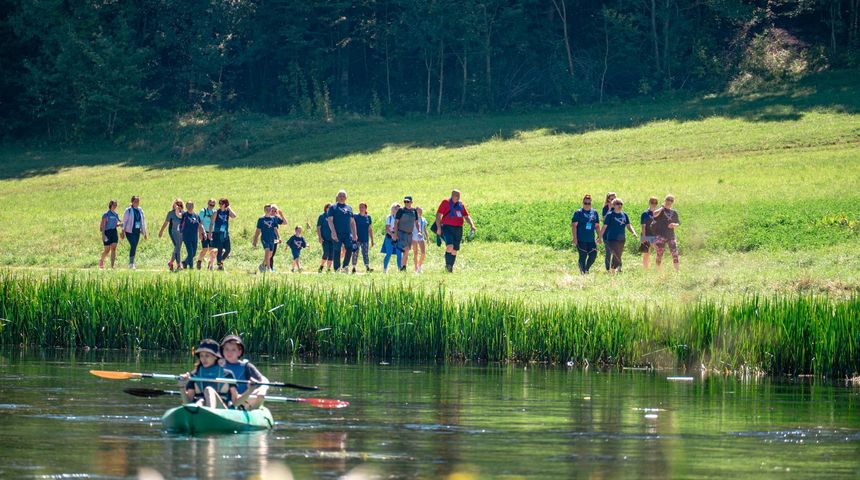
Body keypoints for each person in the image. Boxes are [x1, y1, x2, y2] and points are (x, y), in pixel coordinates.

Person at [182, 339, 240, 409]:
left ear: (215, 357)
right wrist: (182, 386)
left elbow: (235, 401)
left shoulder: (227, 375)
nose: (204, 359)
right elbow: (188, 403)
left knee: (208, 390)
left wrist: (249, 390)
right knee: (201, 401)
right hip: (200, 407)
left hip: (222, 409)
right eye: (201, 356)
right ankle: (199, 411)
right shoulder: (194, 375)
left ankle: (210, 411)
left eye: (207, 356)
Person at [220, 334, 270, 410]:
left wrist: (262, 389)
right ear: (222, 350)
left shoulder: (246, 366)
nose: (229, 352)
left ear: (239, 352)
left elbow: (263, 380)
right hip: (223, 399)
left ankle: (252, 409)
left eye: (233, 349)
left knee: (260, 393)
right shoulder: (218, 366)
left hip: (242, 400)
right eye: (226, 349)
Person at [435, 189, 476, 273]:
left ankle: (450, 268)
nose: (457, 197)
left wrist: (472, 225)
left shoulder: (461, 204)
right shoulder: (445, 202)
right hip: (447, 227)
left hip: (458, 228)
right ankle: (447, 265)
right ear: (452, 195)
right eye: (456, 195)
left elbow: (466, 216)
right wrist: (438, 228)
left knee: (455, 250)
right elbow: (438, 215)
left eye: (459, 196)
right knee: (450, 246)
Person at [599, 198, 638, 274]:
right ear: (613, 205)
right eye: (617, 204)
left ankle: (613, 269)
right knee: (616, 253)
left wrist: (633, 233)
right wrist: (600, 237)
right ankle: (612, 271)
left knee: (619, 255)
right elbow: (604, 227)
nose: (619, 205)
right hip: (612, 238)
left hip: (622, 238)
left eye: (621, 204)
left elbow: (628, 226)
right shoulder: (610, 215)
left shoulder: (624, 215)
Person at [326, 190, 358, 273]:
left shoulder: (349, 208)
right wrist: (333, 232)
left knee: (350, 248)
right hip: (337, 233)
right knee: (337, 250)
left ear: (346, 198)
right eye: (340, 196)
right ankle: (336, 269)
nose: (342, 197)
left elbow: (352, 222)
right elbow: (330, 220)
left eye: (343, 196)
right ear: (337, 197)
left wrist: (355, 234)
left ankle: (345, 266)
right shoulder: (333, 208)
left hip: (347, 233)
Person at [571, 194, 601, 274]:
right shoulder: (578, 212)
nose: (587, 205)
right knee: (583, 255)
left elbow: (597, 226)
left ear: (591, 203)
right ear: (582, 203)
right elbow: (574, 226)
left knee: (593, 255)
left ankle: (587, 269)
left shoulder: (594, 212)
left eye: (589, 203)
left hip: (591, 239)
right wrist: (574, 238)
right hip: (581, 239)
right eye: (585, 203)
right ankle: (583, 271)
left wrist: (600, 236)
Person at [651, 194, 681, 272]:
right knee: (659, 254)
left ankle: (677, 271)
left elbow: (678, 222)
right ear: (665, 200)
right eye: (668, 199)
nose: (669, 201)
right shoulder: (661, 210)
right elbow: (654, 214)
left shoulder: (674, 212)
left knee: (675, 253)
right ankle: (657, 270)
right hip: (661, 236)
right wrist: (662, 207)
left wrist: (674, 225)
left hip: (671, 236)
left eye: (671, 200)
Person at [252, 205, 286, 273]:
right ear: (264, 210)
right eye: (266, 209)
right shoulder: (261, 219)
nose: (268, 211)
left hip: (272, 239)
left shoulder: (273, 219)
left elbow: (275, 229)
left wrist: (279, 237)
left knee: (270, 255)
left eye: (269, 209)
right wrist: (255, 240)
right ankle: (268, 269)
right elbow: (258, 230)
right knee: (267, 252)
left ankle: (262, 266)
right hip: (265, 239)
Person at [393, 196, 419, 272]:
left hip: (410, 234)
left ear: (411, 202)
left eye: (408, 201)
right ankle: (403, 267)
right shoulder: (401, 211)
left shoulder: (414, 211)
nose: (406, 203)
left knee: (406, 251)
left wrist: (419, 231)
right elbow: (396, 222)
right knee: (406, 249)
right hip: (401, 233)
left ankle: (403, 267)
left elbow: (416, 223)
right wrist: (395, 234)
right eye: (405, 201)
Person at [120, 195, 147, 269]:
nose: (137, 202)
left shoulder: (140, 210)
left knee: (134, 246)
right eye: (135, 201)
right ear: (132, 202)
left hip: (137, 231)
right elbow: (124, 221)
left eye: (138, 201)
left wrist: (144, 232)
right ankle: (131, 264)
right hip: (129, 231)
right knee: (133, 245)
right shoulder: (128, 210)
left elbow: (143, 222)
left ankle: (132, 263)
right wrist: (122, 232)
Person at [210, 198, 237, 271]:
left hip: (225, 234)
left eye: (221, 204)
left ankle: (220, 261)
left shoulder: (227, 211)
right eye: (219, 203)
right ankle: (220, 266)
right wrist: (210, 233)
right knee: (220, 250)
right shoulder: (216, 212)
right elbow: (212, 223)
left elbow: (234, 216)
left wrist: (229, 207)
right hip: (218, 233)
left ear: (225, 204)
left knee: (228, 250)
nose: (220, 205)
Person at [158, 199, 185, 271]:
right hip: (173, 232)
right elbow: (166, 223)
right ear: (174, 205)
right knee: (177, 247)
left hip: (181, 233)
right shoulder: (171, 213)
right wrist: (161, 231)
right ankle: (178, 265)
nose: (179, 206)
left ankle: (171, 262)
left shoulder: (183, 213)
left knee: (177, 248)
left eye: (180, 205)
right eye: (177, 205)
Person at [179, 201, 204, 270]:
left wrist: (202, 233)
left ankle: (185, 262)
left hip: (194, 237)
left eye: (191, 205)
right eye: (188, 206)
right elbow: (180, 222)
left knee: (194, 253)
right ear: (186, 207)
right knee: (190, 252)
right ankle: (191, 267)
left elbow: (200, 225)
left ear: (193, 206)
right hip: (186, 237)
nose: (190, 207)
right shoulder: (184, 215)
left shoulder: (196, 215)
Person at [351, 202, 374, 273]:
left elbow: (370, 229)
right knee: (355, 253)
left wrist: (372, 240)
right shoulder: (355, 216)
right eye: (360, 207)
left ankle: (367, 267)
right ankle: (353, 268)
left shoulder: (368, 217)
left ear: (366, 208)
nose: (361, 208)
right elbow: (351, 226)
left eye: (363, 207)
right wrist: (352, 235)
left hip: (365, 239)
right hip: (356, 239)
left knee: (365, 253)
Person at [98, 200, 121, 269]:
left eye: (116, 205)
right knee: (107, 250)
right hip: (107, 233)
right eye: (114, 205)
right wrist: (103, 235)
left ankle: (112, 266)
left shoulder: (116, 215)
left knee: (113, 248)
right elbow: (103, 226)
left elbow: (116, 224)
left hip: (114, 232)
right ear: (110, 205)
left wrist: (120, 224)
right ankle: (101, 260)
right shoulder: (106, 214)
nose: (115, 206)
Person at [381, 203, 402, 273]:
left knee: (399, 254)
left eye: (398, 209)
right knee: (388, 253)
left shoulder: (401, 218)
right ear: (392, 209)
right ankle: (385, 269)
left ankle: (400, 269)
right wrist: (392, 235)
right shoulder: (389, 218)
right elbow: (387, 228)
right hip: (389, 237)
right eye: (395, 208)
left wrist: (397, 235)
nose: (397, 210)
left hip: (398, 237)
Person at [197, 199, 217, 270]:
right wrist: (200, 233)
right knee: (205, 249)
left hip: (212, 233)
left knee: (212, 250)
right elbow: (199, 223)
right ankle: (199, 261)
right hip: (204, 232)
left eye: (213, 205)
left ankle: (210, 266)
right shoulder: (203, 211)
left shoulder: (214, 212)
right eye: (210, 204)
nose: (211, 206)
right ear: (208, 203)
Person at [640, 197, 659, 270]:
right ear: (649, 203)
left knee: (659, 251)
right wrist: (644, 237)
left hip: (655, 236)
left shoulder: (658, 213)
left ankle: (658, 268)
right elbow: (643, 226)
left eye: (655, 203)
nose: (654, 204)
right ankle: (646, 269)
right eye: (652, 202)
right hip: (646, 235)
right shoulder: (645, 213)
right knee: (646, 253)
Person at [601, 192, 617, 272]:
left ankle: (614, 268)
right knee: (608, 252)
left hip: (616, 233)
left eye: (615, 198)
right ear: (608, 199)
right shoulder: (605, 208)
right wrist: (610, 209)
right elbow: (604, 219)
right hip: (607, 233)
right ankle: (608, 269)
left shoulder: (618, 207)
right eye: (612, 199)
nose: (613, 200)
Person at [316, 203, 334, 273]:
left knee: (331, 254)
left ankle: (328, 269)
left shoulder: (334, 216)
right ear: (326, 208)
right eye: (328, 207)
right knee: (326, 252)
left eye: (331, 208)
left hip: (332, 239)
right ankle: (321, 266)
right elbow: (318, 227)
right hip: (324, 238)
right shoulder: (322, 216)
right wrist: (320, 237)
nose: (330, 209)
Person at [269, 203, 285, 272]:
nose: (273, 212)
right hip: (268, 238)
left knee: (272, 254)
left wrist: (281, 215)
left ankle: (270, 268)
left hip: (275, 238)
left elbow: (285, 222)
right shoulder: (266, 218)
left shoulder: (276, 218)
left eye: (275, 211)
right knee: (269, 254)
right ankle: (268, 267)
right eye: (272, 210)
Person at [411, 207, 428, 273]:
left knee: (423, 253)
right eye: (418, 211)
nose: (420, 213)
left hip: (421, 237)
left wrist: (427, 238)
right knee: (415, 253)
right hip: (414, 237)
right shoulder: (413, 219)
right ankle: (416, 268)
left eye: (421, 211)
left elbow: (425, 229)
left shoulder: (423, 219)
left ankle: (419, 265)